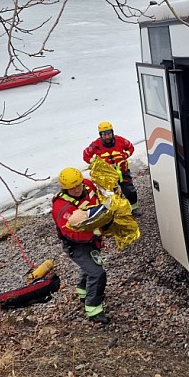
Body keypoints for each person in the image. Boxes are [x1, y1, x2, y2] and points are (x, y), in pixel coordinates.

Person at [51, 167, 110, 324]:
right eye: (73, 187)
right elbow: (72, 233)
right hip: (76, 245)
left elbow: (98, 196)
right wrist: (99, 230)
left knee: (88, 268)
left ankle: (83, 292)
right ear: (65, 188)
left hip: (91, 241)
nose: (77, 189)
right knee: (97, 273)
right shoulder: (62, 207)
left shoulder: (88, 186)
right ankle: (93, 309)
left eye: (79, 185)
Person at [83, 121, 139, 216]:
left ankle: (134, 209)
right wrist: (96, 163)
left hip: (122, 171)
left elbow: (130, 147)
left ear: (112, 132)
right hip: (107, 175)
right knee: (112, 194)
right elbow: (86, 155)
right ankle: (117, 211)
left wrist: (125, 155)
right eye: (104, 134)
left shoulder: (120, 140)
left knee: (130, 191)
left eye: (109, 133)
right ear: (101, 135)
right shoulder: (95, 145)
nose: (107, 136)